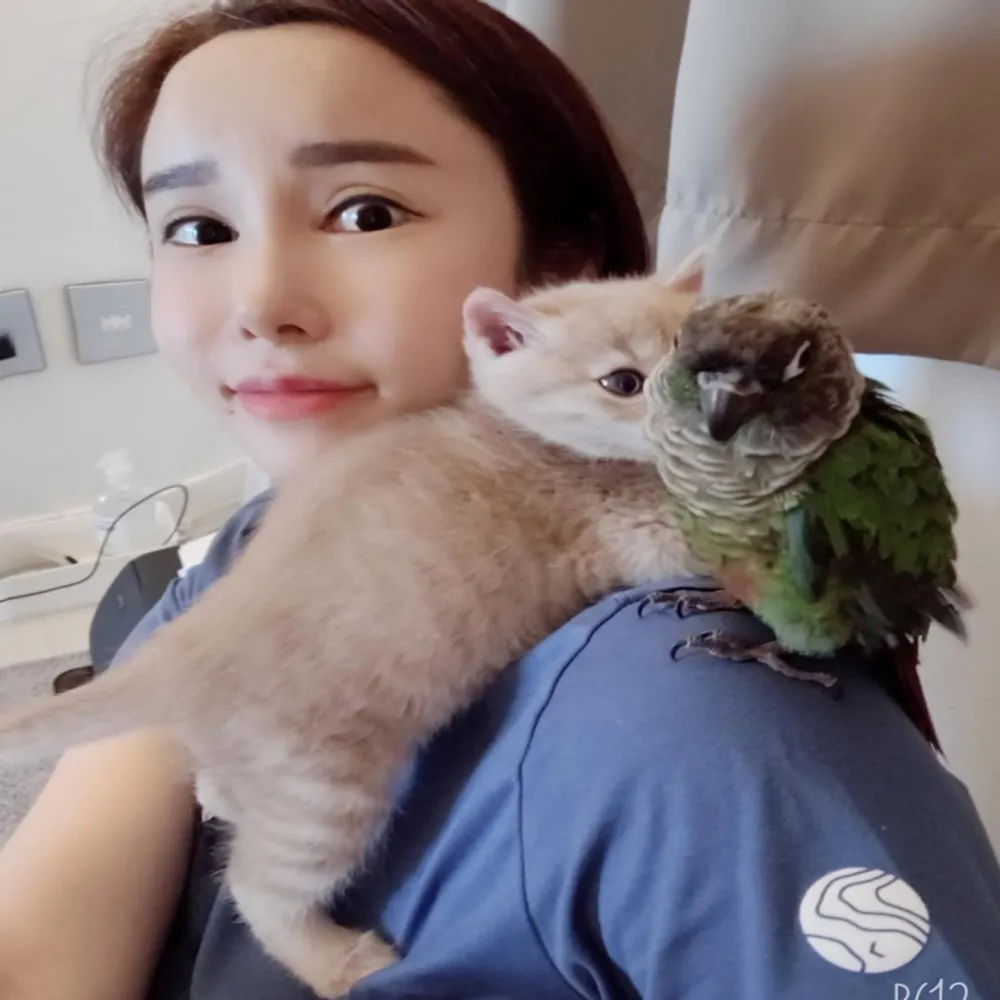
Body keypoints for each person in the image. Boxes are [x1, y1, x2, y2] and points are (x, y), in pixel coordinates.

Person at [2, 2, 999, 998]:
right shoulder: (269, 526)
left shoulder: (701, 733)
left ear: (560, 264)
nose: (261, 304)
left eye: (365, 211)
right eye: (197, 228)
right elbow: (41, 927)